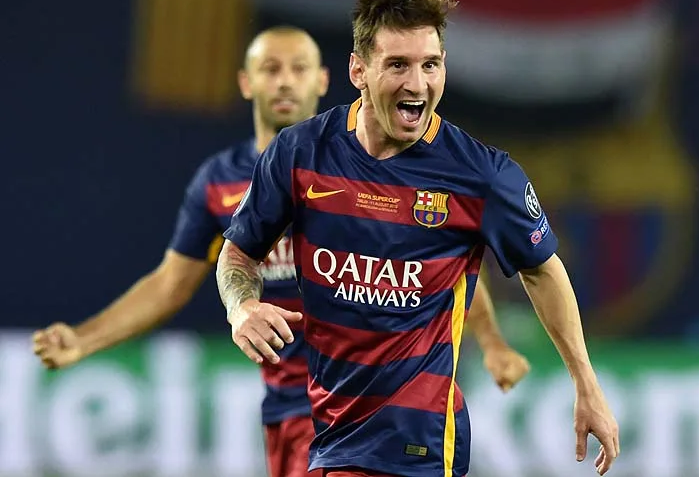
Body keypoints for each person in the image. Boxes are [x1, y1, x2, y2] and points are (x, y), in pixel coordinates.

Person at [31, 25, 529, 477]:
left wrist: (491, 342)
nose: (286, 82)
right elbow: (169, 285)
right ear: (246, 83)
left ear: (324, 80)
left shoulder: (364, 170)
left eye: (299, 69)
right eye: (271, 69)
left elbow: (437, 268)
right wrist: (85, 339)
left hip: (365, 406)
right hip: (290, 407)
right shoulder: (219, 182)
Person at [216, 0, 619, 477]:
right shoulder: (301, 155)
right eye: (398, 65)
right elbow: (238, 252)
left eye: (431, 64)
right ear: (358, 70)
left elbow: (542, 270)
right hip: (331, 439)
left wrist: (587, 385)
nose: (417, 84)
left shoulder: (480, 175)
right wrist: (241, 308)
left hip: (421, 446)